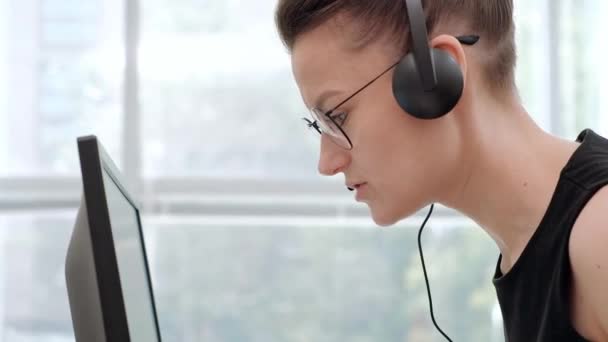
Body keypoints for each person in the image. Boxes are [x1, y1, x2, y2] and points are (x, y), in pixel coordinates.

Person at [274, 0, 608, 341]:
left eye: (337, 116)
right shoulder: (535, 252)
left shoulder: (599, 233)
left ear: (435, 74)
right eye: (321, 126)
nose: (327, 163)